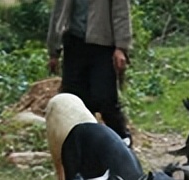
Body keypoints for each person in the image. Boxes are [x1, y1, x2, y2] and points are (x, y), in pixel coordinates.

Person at [47, 0, 133, 142]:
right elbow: (58, 13)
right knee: (74, 98)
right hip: (74, 43)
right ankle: (82, 146)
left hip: (102, 44)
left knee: (104, 97)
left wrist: (121, 47)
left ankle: (123, 139)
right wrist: (53, 50)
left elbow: (121, 13)